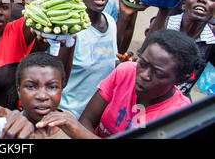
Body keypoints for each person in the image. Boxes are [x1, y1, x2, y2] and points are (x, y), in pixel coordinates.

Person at [37, 29, 201, 138]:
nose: (144, 75)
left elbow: (81, 128)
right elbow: (88, 119)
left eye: (157, 72)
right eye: (142, 63)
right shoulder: (126, 71)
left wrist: (80, 132)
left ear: (180, 79)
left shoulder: (178, 116)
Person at [57, 0, 119, 118]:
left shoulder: (110, 22)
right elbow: (58, 77)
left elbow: (112, 62)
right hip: (69, 116)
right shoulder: (70, 27)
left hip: (99, 117)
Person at [148, 0, 215, 97]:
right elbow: (146, 54)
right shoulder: (163, 23)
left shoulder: (211, 39)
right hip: (149, 90)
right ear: (184, 4)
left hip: (179, 97)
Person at [15, 52, 70, 139]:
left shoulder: (71, 128)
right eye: (31, 86)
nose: (42, 96)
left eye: (52, 87)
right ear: (19, 91)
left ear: (61, 90)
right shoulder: (9, 130)